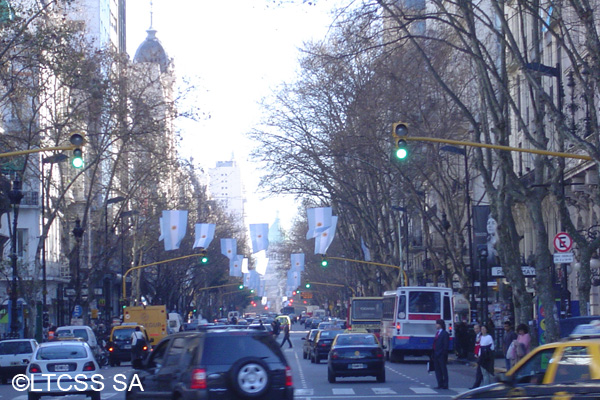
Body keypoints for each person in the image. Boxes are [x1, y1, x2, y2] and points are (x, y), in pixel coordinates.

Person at [432, 319, 449, 389]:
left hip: (441, 354)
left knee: (443, 369)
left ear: (440, 325)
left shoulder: (445, 333)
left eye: (437, 324)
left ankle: (445, 384)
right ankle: (440, 383)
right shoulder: (437, 333)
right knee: (437, 370)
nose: (436, 325)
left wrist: (443, 353)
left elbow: (445, 345)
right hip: (436, 354)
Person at [470, 323, 483, 389]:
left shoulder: (481, 336)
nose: (476, 330)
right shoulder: (477, 335)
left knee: (480, 371)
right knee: (480, 371)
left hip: (481, 355)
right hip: (477, 355)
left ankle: (476, 386)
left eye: (477, 328)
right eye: (475, 329)